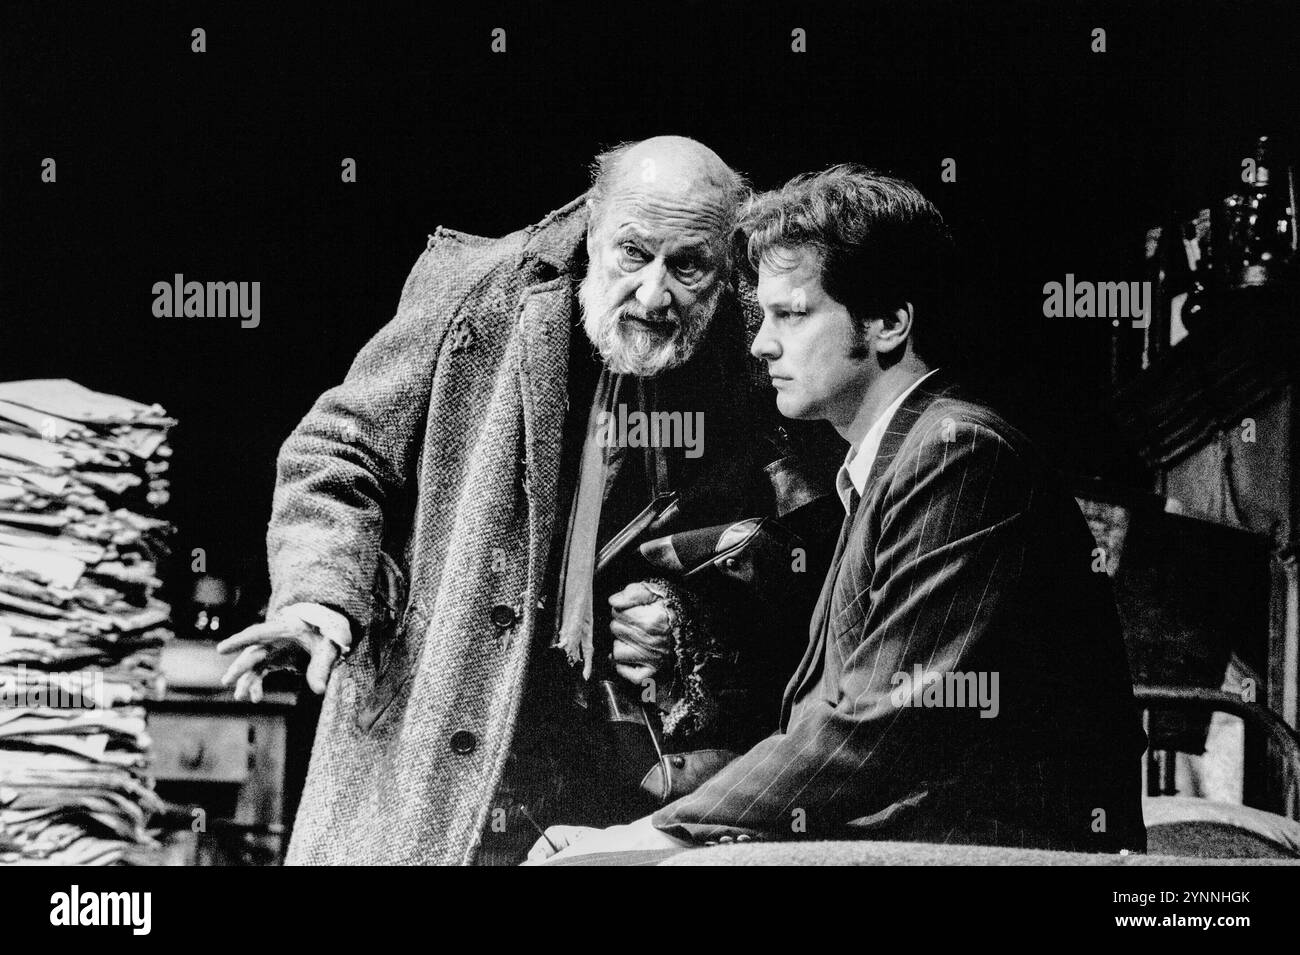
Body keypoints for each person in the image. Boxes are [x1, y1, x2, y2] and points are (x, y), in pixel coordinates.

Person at [216, 137, 840, 865]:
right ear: (592, 228)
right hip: (438, 754)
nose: (654, 294)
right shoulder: (484, 291)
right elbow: (339, 449)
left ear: (728, 263)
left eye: (689, 266)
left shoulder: (762, 348)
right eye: (633, 254)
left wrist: (697, 632)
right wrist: (319, 591)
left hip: (623, 794)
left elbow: (813, 559)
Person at [531, 165, 1147, 862]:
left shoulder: (958, 453)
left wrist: (657, 834)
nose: (762, 343)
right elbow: (827, 719)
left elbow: (873, 729)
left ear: (888, 323)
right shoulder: (885, 464)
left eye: (791, 314)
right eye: (761, 316)